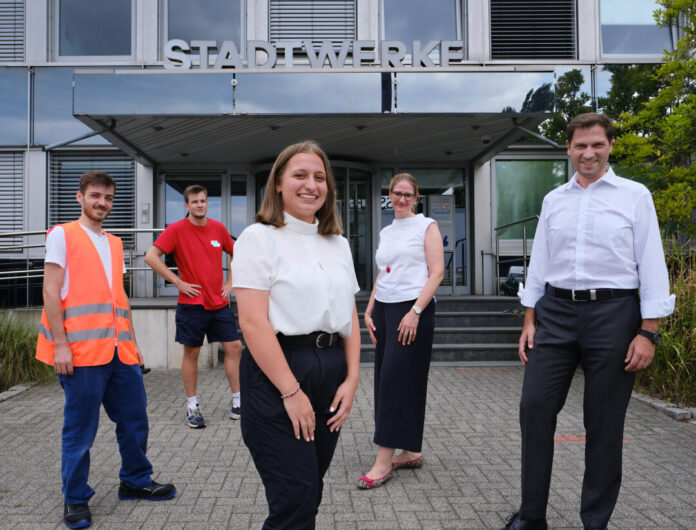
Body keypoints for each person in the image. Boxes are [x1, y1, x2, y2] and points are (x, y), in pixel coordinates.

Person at [502, 113, 675, 530]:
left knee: (603, 424)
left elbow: (652, 264)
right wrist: (530, 318)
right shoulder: (553, 200)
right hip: (556, 315)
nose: (589, 153)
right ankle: (532, 517)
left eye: (597, 144)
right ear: (568, 149)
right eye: (580, 145)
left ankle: (594, 521)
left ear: (610, 145)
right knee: (535, 408)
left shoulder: (635, 196)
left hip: (614, 316)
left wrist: (648, 332)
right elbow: (539, 262)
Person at [36, 171, 176, 529]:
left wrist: (134, 343)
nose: (102, 203)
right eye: (96, 196)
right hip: (80, 354)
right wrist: (61, 346)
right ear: (80, 197)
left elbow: (118, 297)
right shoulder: (62, 235)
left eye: (108, 198)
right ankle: (76, 498)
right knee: (80, 429)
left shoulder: (114, 243)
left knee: (134, 420)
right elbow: (51, 291)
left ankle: (135, 481)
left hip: (120, 352)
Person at [232, 141, 361, 528]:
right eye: (300, 175)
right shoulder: (258, 238)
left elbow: (349, 314)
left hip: (331, 372)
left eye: (319, 177)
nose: (311, 185)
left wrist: (353, 378)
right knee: (296, 497)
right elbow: (253, 323)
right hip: (280, 374)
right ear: (278, 184)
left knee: (310, 492)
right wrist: (291, 392)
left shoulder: (338, 244)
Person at [359, 173, 444, 489]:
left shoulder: (427, 226)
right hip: (384, 307)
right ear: (389, 195)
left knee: (395, 380)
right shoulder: (386, 231)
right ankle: (410, 450)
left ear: (416, 197)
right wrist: (369, 309)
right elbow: (384, 272)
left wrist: (415, 312)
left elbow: (437, 273)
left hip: (413, 308)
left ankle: (384, 460)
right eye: (397, 193)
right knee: (385, 378)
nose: (402, 198)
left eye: (408, 194)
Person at [145, 185, 243, 428]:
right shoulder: (176, 230)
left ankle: (238, 402)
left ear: (207, 203)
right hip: (192, 304)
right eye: (195, 201)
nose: (200, 205)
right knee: (192, 353)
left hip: (218, 302)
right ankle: (192, 406)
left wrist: (231, 281)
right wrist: (178, 282)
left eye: (203, 200)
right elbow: (150, 256)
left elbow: (237, 253)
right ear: (186, 206)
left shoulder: (218, 229)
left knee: (234, 347)